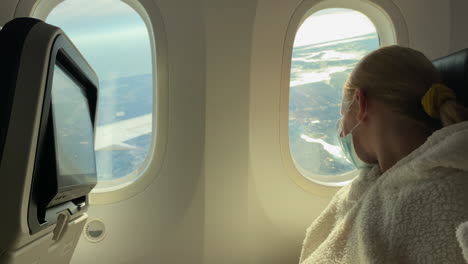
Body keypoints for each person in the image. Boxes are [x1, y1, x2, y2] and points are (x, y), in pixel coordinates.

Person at [299, 45, 468, 264]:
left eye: (343, 115)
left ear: (360, 103)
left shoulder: (441, 197)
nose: (341, 131)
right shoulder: (377, 182)